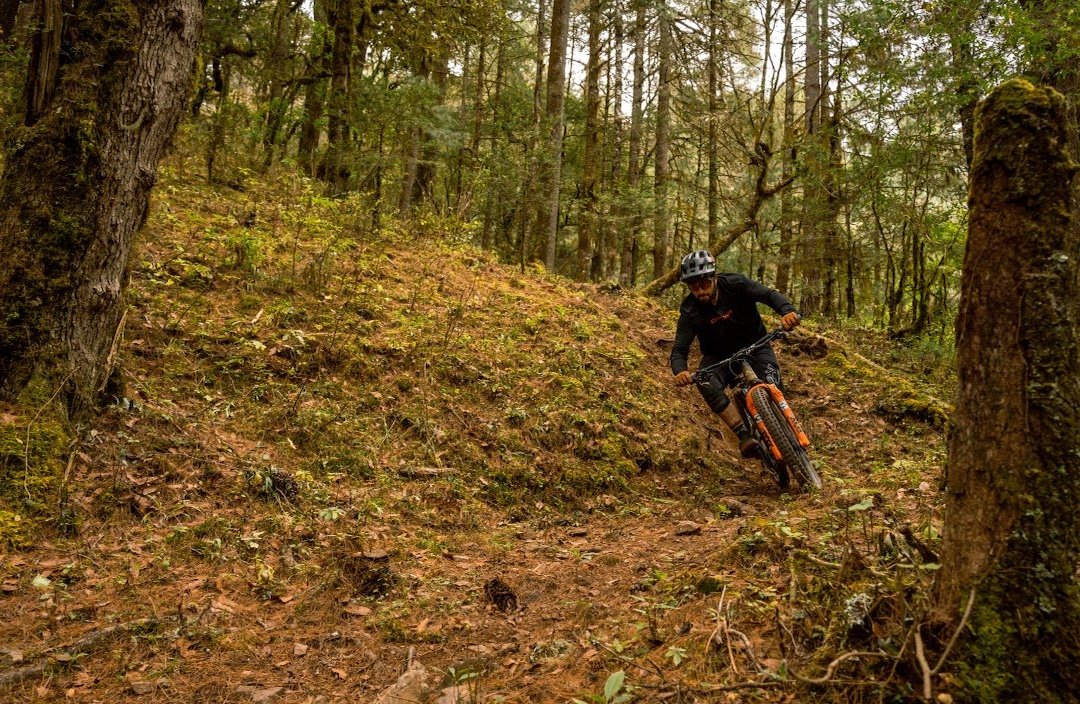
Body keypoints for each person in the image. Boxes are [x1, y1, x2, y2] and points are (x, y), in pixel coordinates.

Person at [670, 250, 801, 458]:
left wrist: (787, 311)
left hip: (756, 344)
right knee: (705, 382)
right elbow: (679, 349)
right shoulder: (690, 310)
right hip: (719, 357)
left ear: (714, 278)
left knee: (771, 381)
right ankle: (743, 434)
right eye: (693, 286)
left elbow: (768, 295)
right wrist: (680, 371)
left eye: (704, 283)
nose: (700, 291)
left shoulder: (735, 284)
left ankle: (782, 424)